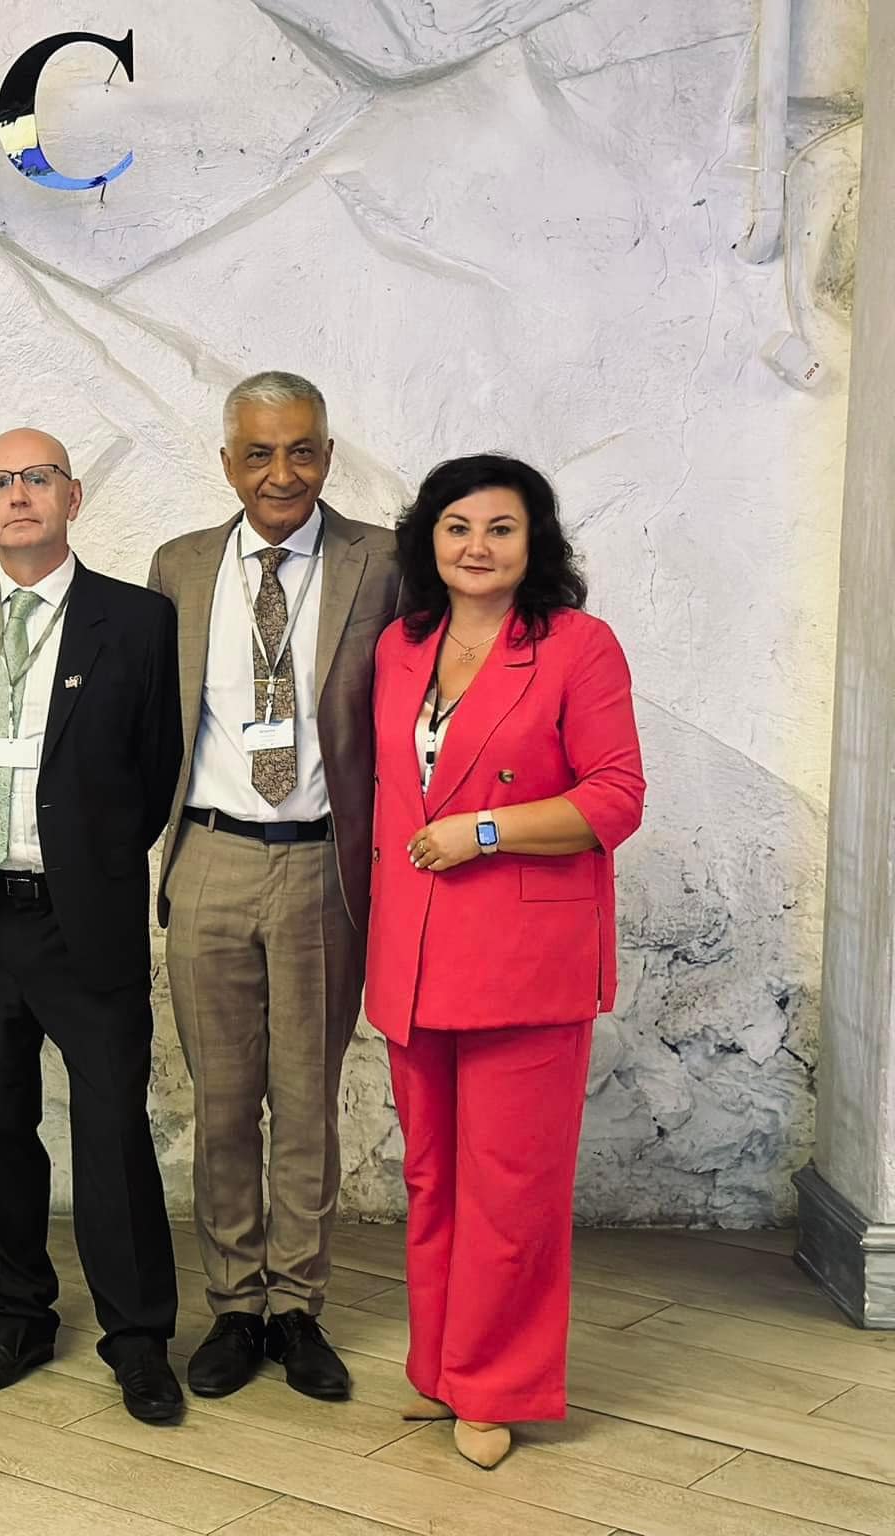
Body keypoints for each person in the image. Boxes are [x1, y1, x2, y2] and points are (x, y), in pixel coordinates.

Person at [368, 454, 643, 1469]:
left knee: (511, 1187)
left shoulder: (576, 646)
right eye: (456, 527)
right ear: (428, 541)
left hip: (526, 959)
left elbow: (615, 796)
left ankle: (494, 1388)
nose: (475, 547)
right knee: (433, 1176)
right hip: (414, 954)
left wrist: (485, 830)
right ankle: (442, 1369)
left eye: (499, 528)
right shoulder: (401, 646)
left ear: (535, 544)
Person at [0, 428, 185, 1424]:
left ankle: (137, 1337)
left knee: (111, 1130)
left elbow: (155, 768)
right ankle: (18, 1316)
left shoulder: (137, 620)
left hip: (81, 917)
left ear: (71, 498)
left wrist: (86, 861)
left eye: (37, 478)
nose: (17, 494)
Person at [146, 371, 401, 1403]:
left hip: (319, 864)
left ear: (326, 456)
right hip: (209, 854)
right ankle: (233, 1307)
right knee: (219, 1103)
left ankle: (296, 1306)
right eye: (258, 453)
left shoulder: (381, 562)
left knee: (304, 1103)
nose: (280, 472)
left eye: (300, 451)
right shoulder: (179, 566)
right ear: (227, 463)